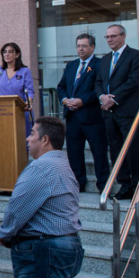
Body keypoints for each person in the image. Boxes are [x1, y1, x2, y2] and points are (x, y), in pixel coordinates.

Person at [0, 117, 83, 278]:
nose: (28, 139)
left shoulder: (42, 167)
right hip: (63, 247)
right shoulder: (63, 165)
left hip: (43, 252)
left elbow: (17, 210)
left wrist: (4, 233)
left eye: (32, 133)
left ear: (45, 140)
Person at [95, 24, 139, 200]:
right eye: (107, 37)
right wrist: (102, 96)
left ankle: (138, 186)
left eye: (113, 36)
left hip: (129, 111)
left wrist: (113, 99)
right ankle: (124, 185)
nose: (110, 40)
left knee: (133, 150)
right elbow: (98, 82)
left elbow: (133, 81)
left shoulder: (136, 56)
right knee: (116, 149)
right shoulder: (104, 60)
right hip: (109, 113)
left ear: (123, 36)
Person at [56, 34, 109, 193]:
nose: (80, 49)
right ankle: (78, 183)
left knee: (99, 153)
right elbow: (61, 87)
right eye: (78, 46)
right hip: (72, 117)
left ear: (92, 47)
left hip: (92, 117)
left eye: (84, 46)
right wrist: (65, 100)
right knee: (74, 154)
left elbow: (99, 90)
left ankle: (103, 185)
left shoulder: (100, 64)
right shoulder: (71, 65)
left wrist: (81, 101)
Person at [0, 42, 35, 137]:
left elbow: (29, 91)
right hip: (2, 113)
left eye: (10, 52)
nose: (7, 54)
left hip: (21, 112)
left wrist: (29, 102)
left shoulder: (25, 71)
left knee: (22, 142)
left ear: (17, 54)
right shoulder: (0, 72)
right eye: (5, 52)